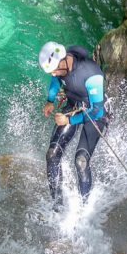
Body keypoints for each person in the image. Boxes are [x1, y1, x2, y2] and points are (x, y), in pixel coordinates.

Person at [37, 41, 108, 209]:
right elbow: (56, 79)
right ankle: (57, 205)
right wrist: (50, 100)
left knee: (81, 161)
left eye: (54, 69)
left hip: (94, 113)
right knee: (52, 155)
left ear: (63, 60)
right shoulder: (61, 66)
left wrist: (69, 121)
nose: (53, 73)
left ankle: (84, 208)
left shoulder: (91, 74)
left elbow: (97, 111)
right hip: (74, 105)